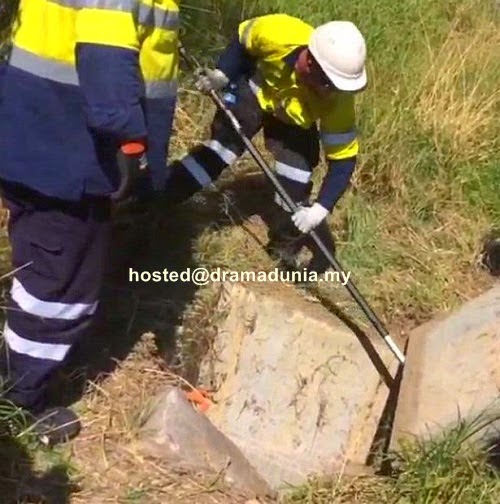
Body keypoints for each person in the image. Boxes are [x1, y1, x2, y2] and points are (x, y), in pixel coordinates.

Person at [0, 0, 181, 445]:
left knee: (41, 260)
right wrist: (132, 144)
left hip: (42, 132)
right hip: (68, 146)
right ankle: (17, 399)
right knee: (60, 285)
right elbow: (105, 52)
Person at [163, 13, 367, 271]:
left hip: (293, 121)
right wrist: (223, 75)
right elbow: (242, 38)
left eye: (338, 86)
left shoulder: (338, 102)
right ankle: (160, 196)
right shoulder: (278, 33)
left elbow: (343, 161)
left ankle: (283, 247)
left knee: (296, 181)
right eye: (327, 82)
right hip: (255, 92)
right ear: (310, 62)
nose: (330, 91)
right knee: (221, 152)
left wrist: (320, 210)